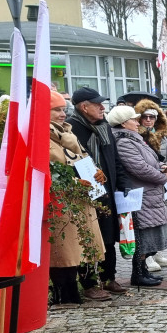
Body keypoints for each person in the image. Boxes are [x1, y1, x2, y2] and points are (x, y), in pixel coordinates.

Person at [67, 87, 128, 298]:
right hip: (85, 193)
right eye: (97, 104)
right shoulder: (72, 129)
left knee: (109, 236)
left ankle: (108, 278)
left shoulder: (104, 127)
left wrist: (121, 185)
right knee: (89, 237)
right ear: (84, 107)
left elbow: (115, 159)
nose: (103, 107)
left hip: (108, 191)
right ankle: (89, 284)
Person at [48, 90, 107, 304]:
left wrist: (96, 173)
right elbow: (48, 172)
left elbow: (82, 161)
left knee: (86, 245)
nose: (63, 114)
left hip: (82, 200)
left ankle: (87, 285)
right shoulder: (41, 136)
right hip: (62, 202)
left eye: (64, 109)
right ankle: (65, 292)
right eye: (56, 109)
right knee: (65, 251)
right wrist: (74, 183)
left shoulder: (68, 133)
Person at [109, 105, 167, 288]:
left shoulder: (132, 138)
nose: (138, 122)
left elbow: (148, 162)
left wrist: (161, 168)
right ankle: (137, 273)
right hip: (140, 195)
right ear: (123, 123)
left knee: (148, 236)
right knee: (141, 236)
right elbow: (138, 168)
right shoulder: (123, 141)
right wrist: (161, 177)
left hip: (149, 194)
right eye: (134, 119)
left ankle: (142, 270)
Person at [134, 98, 167, 271]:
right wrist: (159, 170)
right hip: (149, 184)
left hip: (164, 182)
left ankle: (158, 251)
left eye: (152, 117)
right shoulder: (138, 137)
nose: (149, 120)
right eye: (146, 117)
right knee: (149, 221)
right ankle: (148, 256)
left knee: (164, 218)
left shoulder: (161, 135)